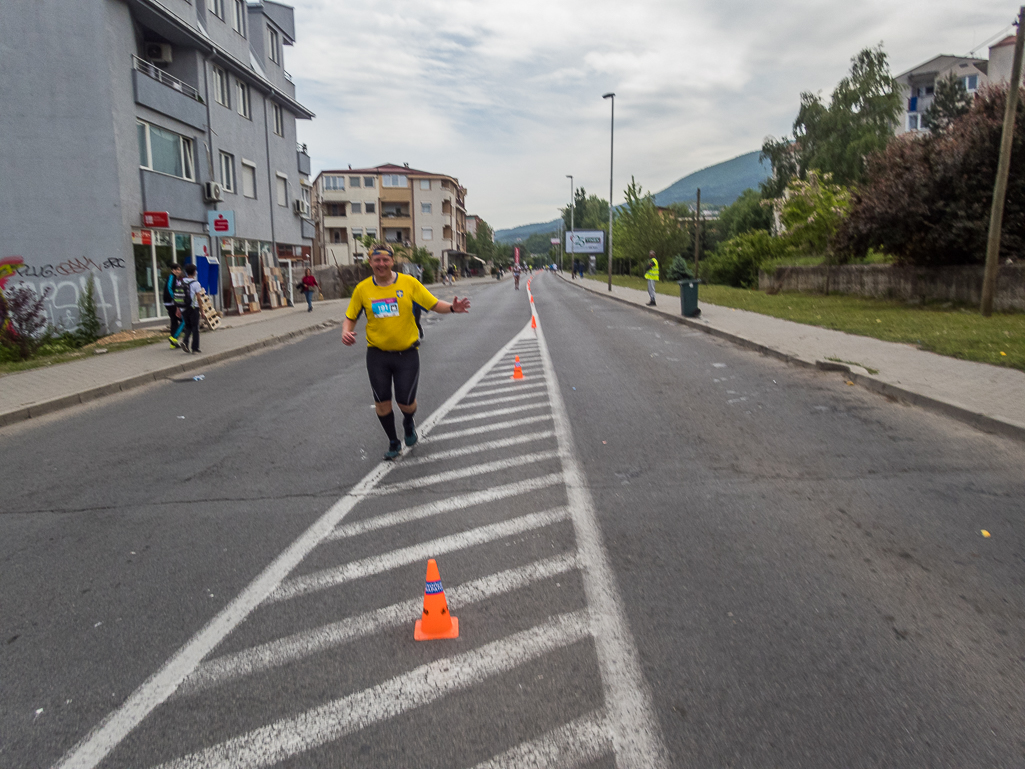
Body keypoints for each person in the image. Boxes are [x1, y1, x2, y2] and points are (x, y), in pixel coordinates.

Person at [342, 244, 471, 459]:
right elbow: (351, 316)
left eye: (385, 260)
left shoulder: (409, 283)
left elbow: (432, 303)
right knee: (382, 401)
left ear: (392, 261)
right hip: (377, 355)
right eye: (377, 260)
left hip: (407, 354)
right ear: (370, 262)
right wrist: (346, 332)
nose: (381, 264)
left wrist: (451, 308)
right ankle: (393, 442)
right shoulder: (362, 289)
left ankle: (408, 422)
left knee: (405, 401)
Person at [178, 263, 204, 354]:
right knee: (195, 328)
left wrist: (178, 308)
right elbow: (199, 298)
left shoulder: (181, 282)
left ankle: (185, 342)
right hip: (193, 307)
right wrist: (202, 310)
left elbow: (178, 296)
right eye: (195, 271)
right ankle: (195, 348)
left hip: (184, 308)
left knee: (188, 326)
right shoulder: (196, 283)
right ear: (193, 272)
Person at [163, 263, 184, 349]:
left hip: (172, 303)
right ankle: (174, 337)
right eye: (177, 269)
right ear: (173, 270)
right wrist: (175, 300)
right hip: (171, 303)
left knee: (174, 321)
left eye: (179, 269)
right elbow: (169, 289)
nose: (178, 271)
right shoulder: (172, 277)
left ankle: (173, 344)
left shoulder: (176, 278)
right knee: (184, 320)